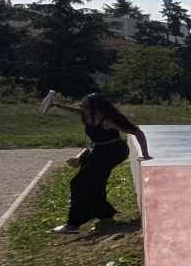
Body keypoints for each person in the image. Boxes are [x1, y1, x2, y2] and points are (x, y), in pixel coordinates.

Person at [45, 91, 152, 233]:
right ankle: (105, 215)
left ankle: (73, 224)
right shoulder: (86, 115)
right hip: (100, 150)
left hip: (114, 151)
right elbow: (75, 112)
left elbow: (137, 132)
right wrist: (56, 104)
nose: (82, 108)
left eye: (86, 106)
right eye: (83, 106)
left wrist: (145, 154)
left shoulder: (109, 119)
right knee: (96, 183)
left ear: (96, 108)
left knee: (78, 183)